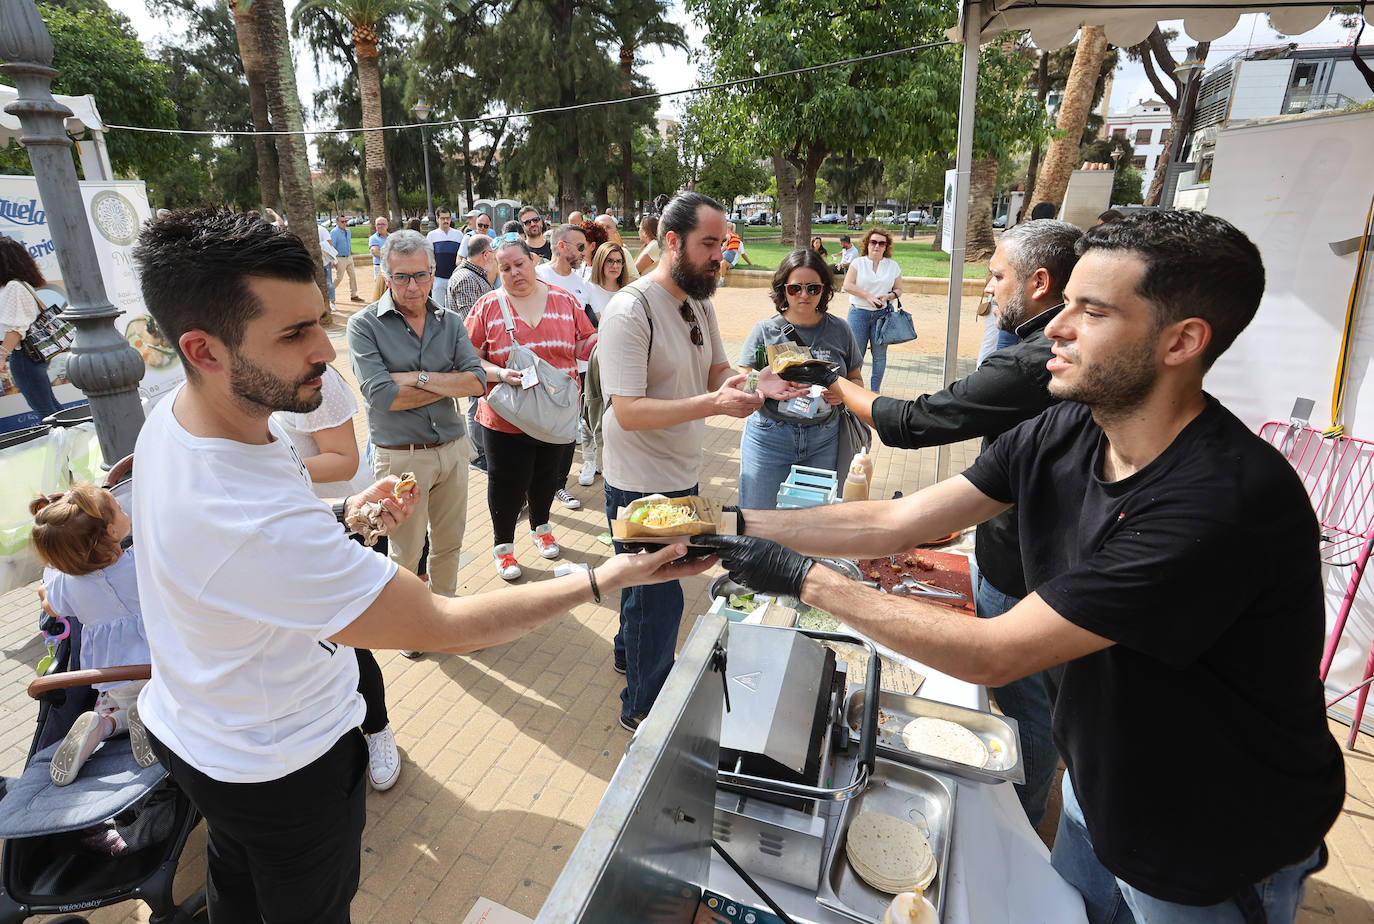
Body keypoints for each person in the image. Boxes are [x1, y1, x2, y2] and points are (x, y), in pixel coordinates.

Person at [699, 210, 1345, 924]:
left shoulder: (1220, 503)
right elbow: (901, 520)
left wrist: (796, 575)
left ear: (1183, 341)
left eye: (1092, 311)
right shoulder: (1070, 423)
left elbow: (994, 652)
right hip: (1097, 795)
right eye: (1065, 302)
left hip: (1206, 843)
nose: (1058, 328)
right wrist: (731, 528)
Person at [128, 210, 710, 923]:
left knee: (237, 892)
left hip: (207, 738)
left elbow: (267, 538)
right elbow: (442, 624)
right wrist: (604, 579)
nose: (326, 351)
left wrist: (342, 517)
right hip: (282, 766)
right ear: (204, 349)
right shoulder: (246, 520)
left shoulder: (185, 418)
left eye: (318, 321)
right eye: (294, 334)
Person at [817, 219, 1083, 826]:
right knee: (1023, 708)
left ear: (1040, 283)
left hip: (1025, 571)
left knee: (1029, 713)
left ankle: (1015, 823)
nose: (987, 292)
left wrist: (839, 387)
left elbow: (919, 422)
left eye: (996, 277)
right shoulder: (1041, 356)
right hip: (1008, 555)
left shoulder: (1035, 362)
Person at [598, 191, 764, 731]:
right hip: (638, 482)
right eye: (709, 244)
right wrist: (715, 404)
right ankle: (643, 709)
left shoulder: (700, 299)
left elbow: (716, 369)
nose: (720, 255)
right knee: (658, 595)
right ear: (672, 242)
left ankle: (629, 654)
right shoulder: (631, 309)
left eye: (724, 243)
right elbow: (628, 411)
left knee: (644, 587)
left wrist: (749, 385)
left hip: (681, 470)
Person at [272, 364, 402, 791]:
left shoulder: (311, 375)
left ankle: (377, 730)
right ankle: (340, 727)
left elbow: (343, 459)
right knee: (307, 645)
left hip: (342, 521)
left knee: (349, 641)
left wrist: (260, 472)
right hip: (287, 530)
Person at [347, 230, 486, 606]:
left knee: (450, 543)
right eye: (401, 277)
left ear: (433, 270)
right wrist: (447, 383)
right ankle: (412, 622)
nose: (413, 286)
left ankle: (444, 614)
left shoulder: (451, 322)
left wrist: (417, 377)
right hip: (401, 457)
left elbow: (476, 382)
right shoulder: (364, 325)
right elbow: (381, 396)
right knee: (406, 552)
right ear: (387, 275)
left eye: (422, 275)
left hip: (453, 449)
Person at [465, 238, 596, 580]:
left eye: (519, 264)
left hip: (555, 411)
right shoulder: (488, 305)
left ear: (534, 261)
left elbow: (584, 342)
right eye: (504, 268)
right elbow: (466, 358)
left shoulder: (565, 300)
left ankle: (541, 527)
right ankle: (503, 548)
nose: (513, 273)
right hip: (505, 418)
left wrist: (609, 340)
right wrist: (497, 373)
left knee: (547, 478)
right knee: (506, 484)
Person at [30, 486, 152, 791]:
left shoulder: (68, 586)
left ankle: (103, 725)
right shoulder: (142, 560)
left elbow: (49, 605)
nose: (126, 512)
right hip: (157, 667)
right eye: (121, 510)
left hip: (112, 678)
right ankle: (150, 717)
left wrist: (45, 588)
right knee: (166, 700)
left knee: (112, 709)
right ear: (111, 530)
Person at [736, 248, 862, 509]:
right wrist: (760, 384)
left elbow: (856, 381)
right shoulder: (765, 331)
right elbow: (741, 382)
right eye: (795, 289)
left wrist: (843, 395)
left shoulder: (840, 330)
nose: (804, 295)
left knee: (812, 525)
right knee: (758, 520)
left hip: (823, 440)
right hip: (769, 437)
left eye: (813, 288)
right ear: (783, 290)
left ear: (825, 289)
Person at [447, 234, 497, 472]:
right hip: (470, 351)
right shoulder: (467, 278)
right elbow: (472, 323)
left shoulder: (474, 275)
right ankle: (477, 453)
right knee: (475, 400)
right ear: (485, 255)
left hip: (477, 350)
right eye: (493, 255)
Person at [0, 237, 64, 419]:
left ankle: (70, 442)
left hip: (25, 356)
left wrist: (1, 356)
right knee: (50, 407)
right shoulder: (18, 285)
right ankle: (74, 437)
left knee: (46, 412)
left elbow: (16, 329)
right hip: (31, 356)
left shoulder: (14, 287)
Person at [841, 227, 903, 393]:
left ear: (886, 246)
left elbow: (899, 289)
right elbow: (847, 285)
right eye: (873, 242)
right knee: (856, 356)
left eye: (881, 243)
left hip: (882, 316)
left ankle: (875, 392)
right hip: (859, 313)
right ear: (867, 244)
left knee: (880, 355)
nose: (877, 246)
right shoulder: (858, 263)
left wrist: (888, 297)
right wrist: (867, 296)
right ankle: (854, 392)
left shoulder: (892, 266)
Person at [426, 207, 464, 310]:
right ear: (437, 219)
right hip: (438, 278)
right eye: (443, 218)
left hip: (455, 278)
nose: (446, 221)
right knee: (437, 309)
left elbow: (463, 256)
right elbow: (429, 258)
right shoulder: (431, 235)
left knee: (455, 309)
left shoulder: (459, 235)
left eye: (448, 218)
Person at [331, 216, 363, 303]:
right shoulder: (334, 232)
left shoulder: (348, 232)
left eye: (345, 221)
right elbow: (332, 247)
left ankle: (353, 295)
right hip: (340, 258)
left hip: (349, 257)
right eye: (342, 222)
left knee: (352, 276)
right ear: (337, 222)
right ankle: (328, 293)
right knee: (339, 278)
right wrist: (334, 260)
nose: (344, 223)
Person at [368, 216, 389, 302]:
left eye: (382, 224)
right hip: (380, 267)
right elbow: (376, 253)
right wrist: (392, 255)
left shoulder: (392, 237)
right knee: (381, 290)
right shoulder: (373, 238)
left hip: (391, 267)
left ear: (387, 226)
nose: (380, 226)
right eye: (378, 224)